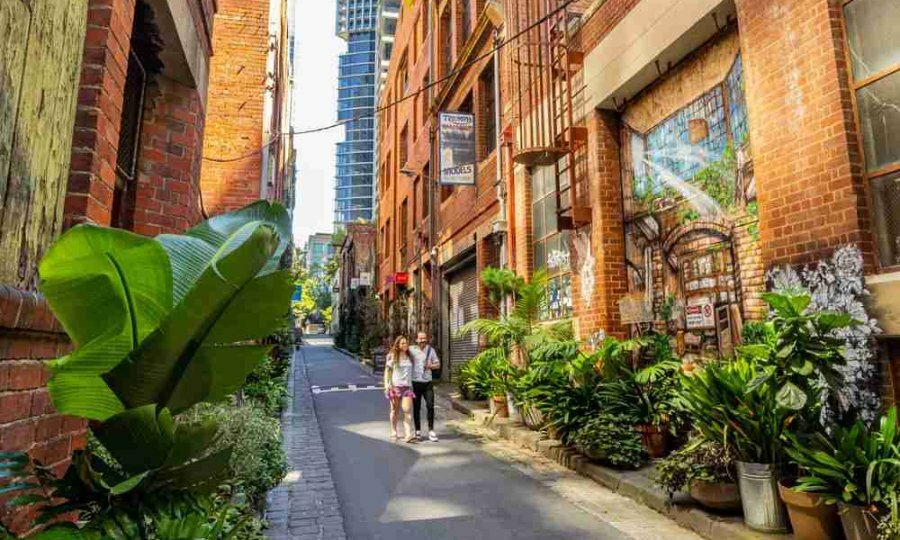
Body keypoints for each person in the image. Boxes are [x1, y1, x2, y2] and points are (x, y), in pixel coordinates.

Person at [384, 335, 417, 443]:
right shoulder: (392, 356)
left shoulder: (410, 357)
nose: (405, 345)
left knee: (407, 410)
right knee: (394, 410)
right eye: (402, 343)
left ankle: (408, 434)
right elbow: (387, 371)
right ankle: (394, 431)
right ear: (397, 345)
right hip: (395, 386)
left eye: (406, 343)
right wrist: (386, 384)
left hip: (407, 387)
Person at [410, 331, 440, 442]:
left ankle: (431, 430)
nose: (422, 340)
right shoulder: (411, 350)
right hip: (415, 383)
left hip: (427, 383)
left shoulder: (431, 350)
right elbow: (402, 355)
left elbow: (438, 364)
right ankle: (417, 431)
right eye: (420, 338)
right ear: (416, 339)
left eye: (424, 338)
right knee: (416, 408)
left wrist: (430, 366)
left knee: (430, 406)